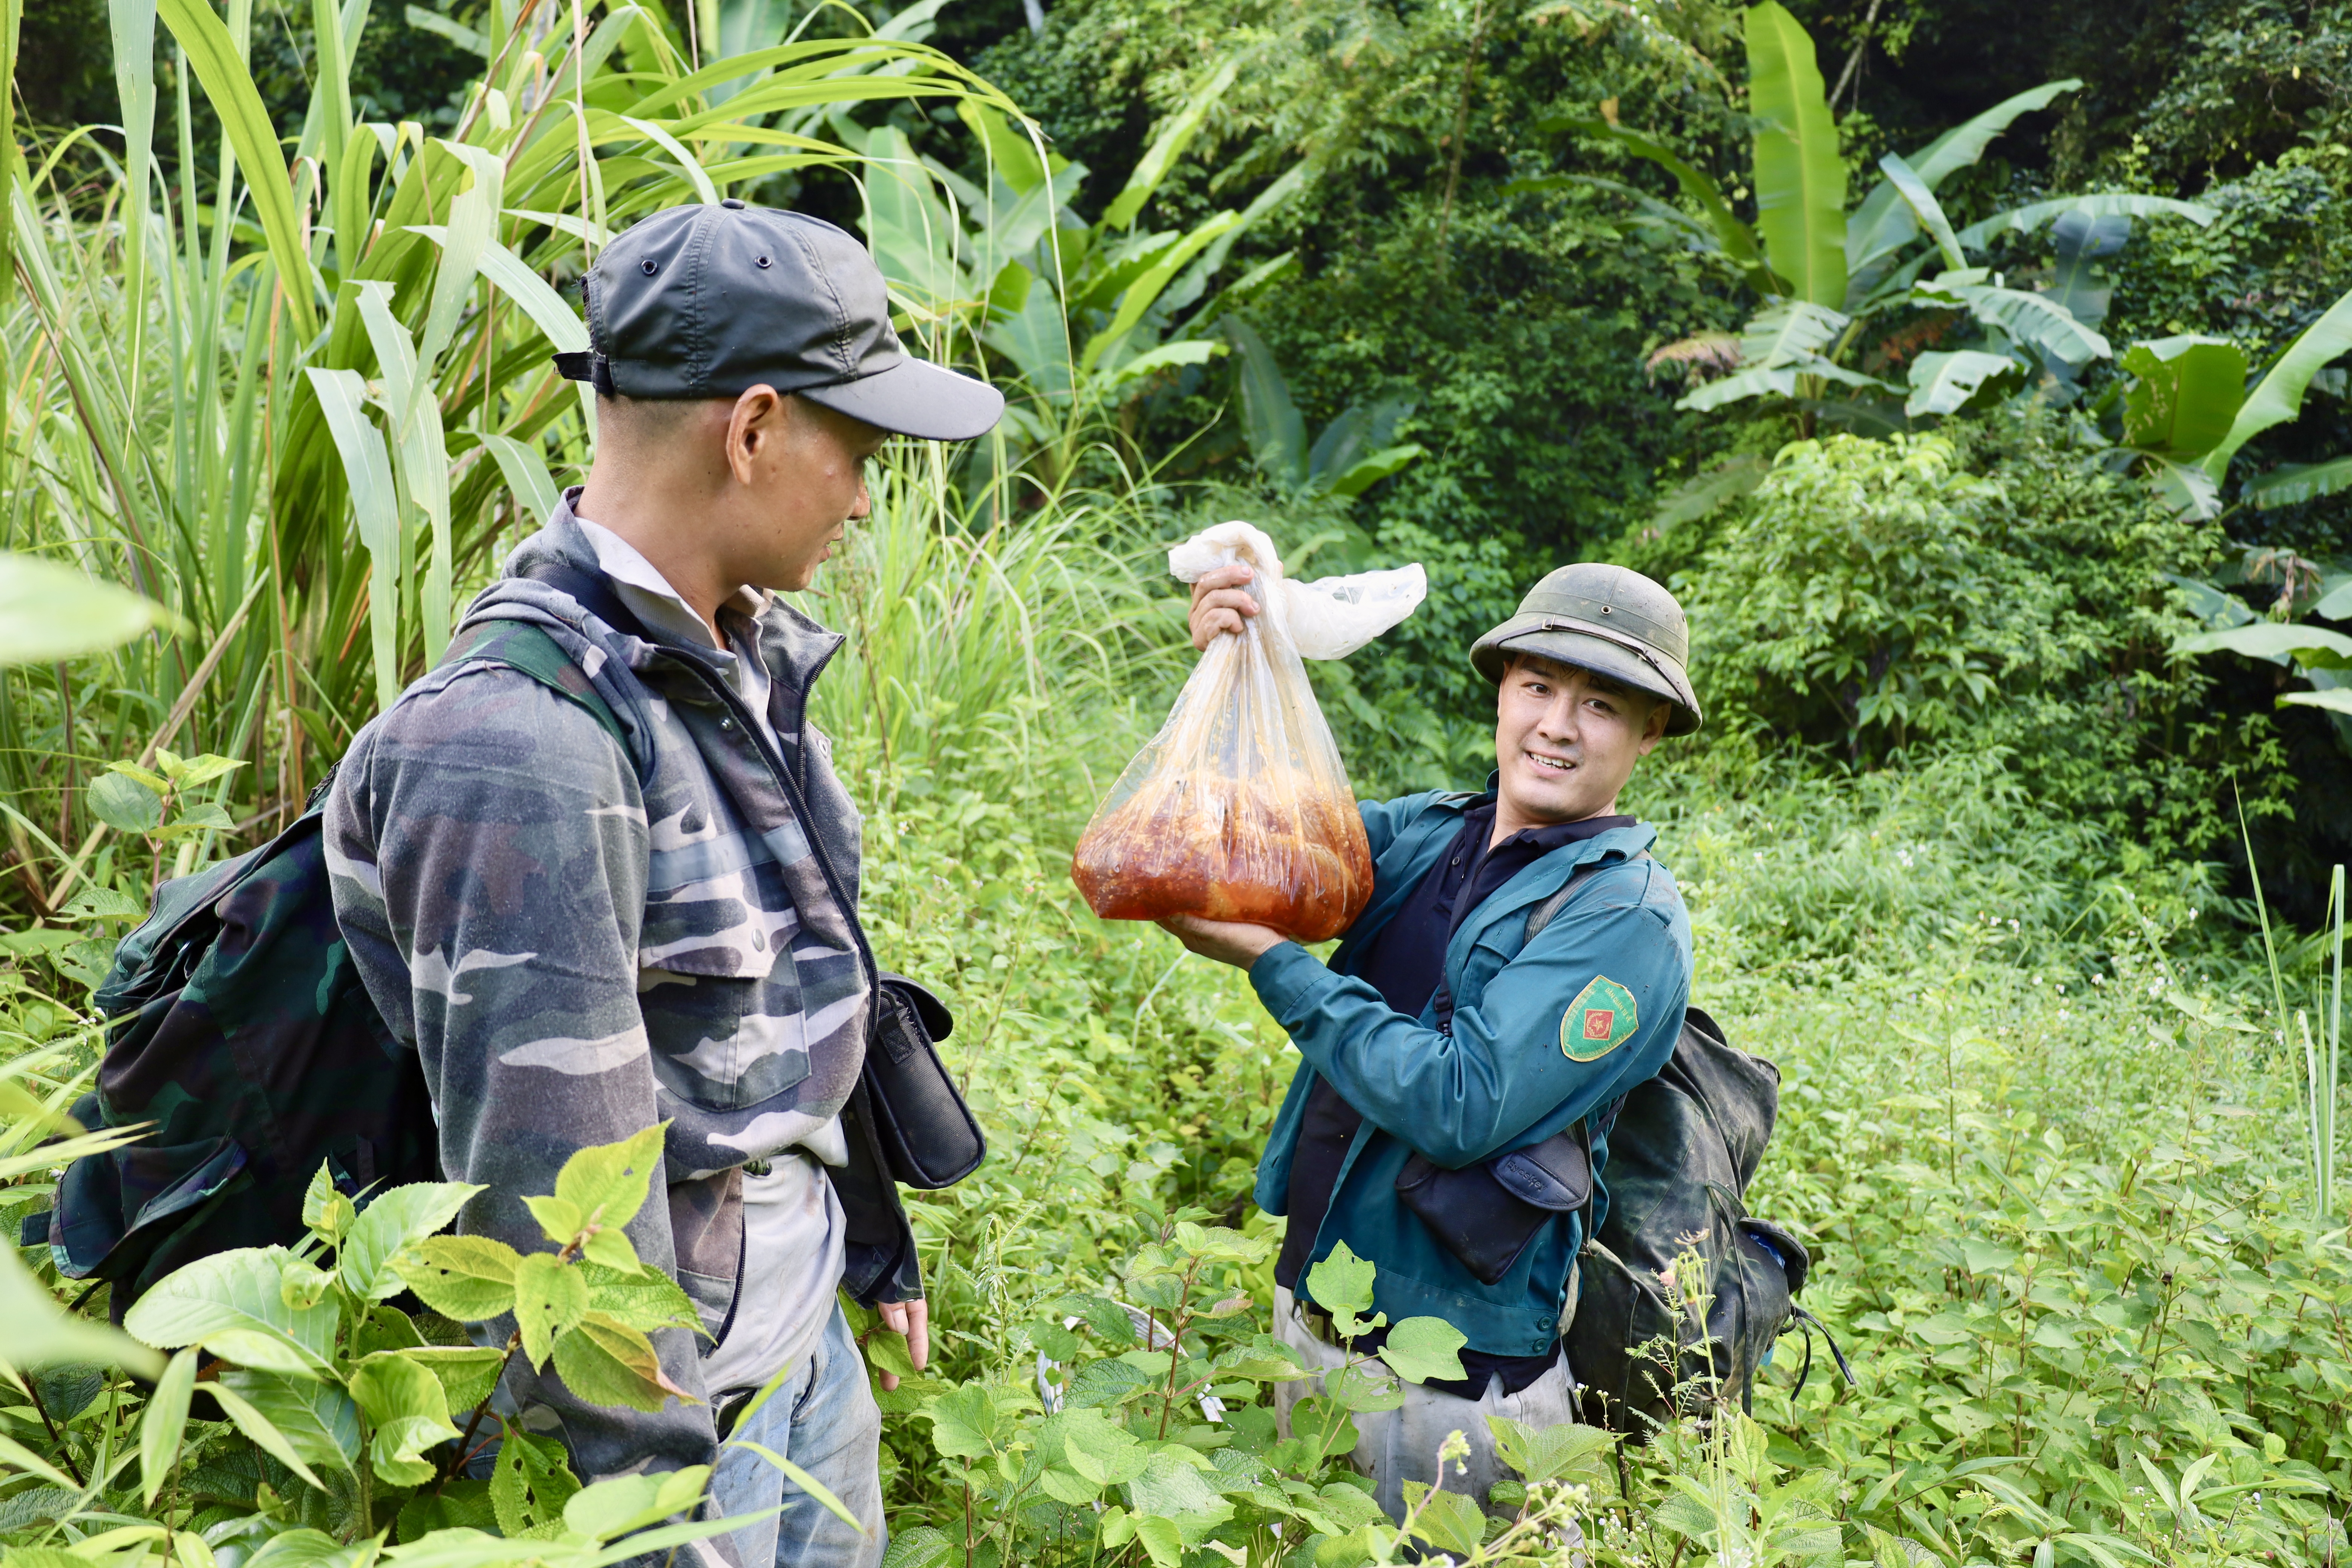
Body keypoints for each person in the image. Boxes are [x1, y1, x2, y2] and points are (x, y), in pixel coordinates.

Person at [323, 200, 1003, 1568]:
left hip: (797, 1349)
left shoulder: (742, 658)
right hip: (675, 1432)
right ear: (750, 431)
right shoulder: (519, 750)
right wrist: (651, 1515)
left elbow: (799, 987)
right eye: (857, 450)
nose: (867, 497)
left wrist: (864, 1238)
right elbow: (553, 1209)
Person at [1161, 560, 1700, 1521]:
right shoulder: (1430, 834)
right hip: (1312, 1314)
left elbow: (1462, 1104)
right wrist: (1234, 670)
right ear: (1503, 689)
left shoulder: (1627, 918)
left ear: (1649, 731)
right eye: (1538, 686)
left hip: (1451, 1383)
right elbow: (1235, 845)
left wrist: (1276, 964)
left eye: (1602, 706)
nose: (1557, 725)